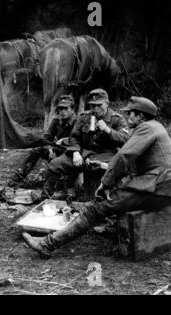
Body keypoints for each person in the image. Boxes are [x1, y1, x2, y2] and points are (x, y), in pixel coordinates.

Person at [23, 96, 171, 258]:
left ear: (140, 116)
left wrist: (105, 183)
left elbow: (124, 156)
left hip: (156, 186)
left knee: (96, 207)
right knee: (113, 200)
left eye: (130, 114)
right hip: (161, 186)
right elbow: (138, 164)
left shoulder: (146, 128)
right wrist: (109, 171)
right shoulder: (155, 127)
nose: (127, 117)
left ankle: (47, 244)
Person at [39, 89, 129, 201]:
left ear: (107, 103)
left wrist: (108, 130)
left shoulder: (117, 119)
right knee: (56, 164)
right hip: (84, 153)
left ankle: (101, 199)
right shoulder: (84, 117)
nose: (95, 109)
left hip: (106, 156)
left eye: (98, 105)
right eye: (92, 106)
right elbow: (74, 137)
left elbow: (126, 139)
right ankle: (44, 198)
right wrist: (75, 151)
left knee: (96, 195)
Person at [13, 95, 77, 187]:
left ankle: (58, 185)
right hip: (58, 150)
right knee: (37, 149)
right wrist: (50, 149)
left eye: (65, 108)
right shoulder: (56, 121)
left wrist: (64, 140)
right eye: (60, 109)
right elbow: (46, 138)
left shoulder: (78, 122)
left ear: (72, 109)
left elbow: (79, 141)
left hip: (72, 154)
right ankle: (18, 177)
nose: (62, 112)